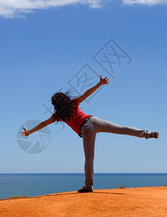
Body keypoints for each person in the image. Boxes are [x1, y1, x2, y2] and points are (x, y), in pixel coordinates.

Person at [21, 75, 159, 193]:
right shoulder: (73, 103)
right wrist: (100, 83)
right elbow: (86, 94)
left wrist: (30, 132)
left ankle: (88, 186)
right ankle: (147, 134)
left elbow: (43, 124)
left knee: (89, 159)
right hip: (93, 119)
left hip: (86, 129)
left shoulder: (58, 115)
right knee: (121, 129)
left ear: (55, 105)